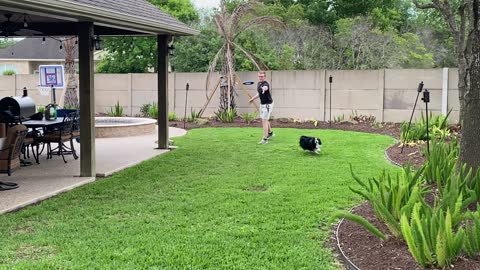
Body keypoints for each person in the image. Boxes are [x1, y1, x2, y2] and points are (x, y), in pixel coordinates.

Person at [249, 71, 274, 144]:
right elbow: (259, 93)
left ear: (264, 77)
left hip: (267, 105)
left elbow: (265, 88)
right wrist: (252, 99)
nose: (260, 77)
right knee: (265, 119)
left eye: (262, 76)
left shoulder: (266, 84)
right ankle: (270, 133)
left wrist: (264, 89)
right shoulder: (258, 83)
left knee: (264, 121)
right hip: (262, 104)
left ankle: (265, 139)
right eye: (259, 76)